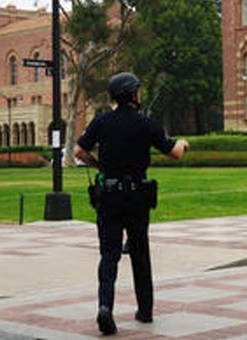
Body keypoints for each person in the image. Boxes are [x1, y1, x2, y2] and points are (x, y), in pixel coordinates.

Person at [75, 72, 189, 335]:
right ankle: (145, 310)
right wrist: (184, 143)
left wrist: (101, 165)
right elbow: (174, 153)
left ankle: (105, 307)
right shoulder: (145, 124)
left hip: (109, 196)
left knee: (109, 255)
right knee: (140, 253)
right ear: (133, 95)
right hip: (137, 198)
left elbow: (80, 151)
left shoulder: (101, 122)